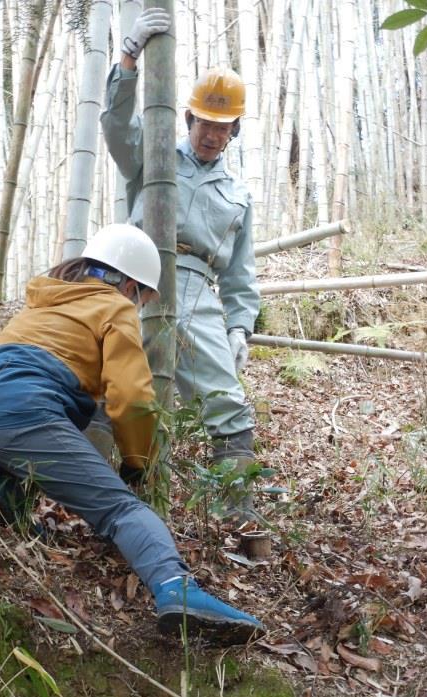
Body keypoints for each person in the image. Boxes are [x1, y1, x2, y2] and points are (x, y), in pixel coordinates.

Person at [0, 224, 263, 644]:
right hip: (23, 416)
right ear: (129, 284)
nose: (140, 306)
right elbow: (130, 398)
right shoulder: (114, 306)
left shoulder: (42, 304)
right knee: (121, 511)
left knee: (70, 409)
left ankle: (3, 497)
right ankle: (177, 590)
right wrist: (136, 461)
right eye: (143, 298)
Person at [101, 9, 261, 523]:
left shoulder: (237, 196)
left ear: (234, 130)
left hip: (196, 293)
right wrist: (127, 59)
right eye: (205, 123)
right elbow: (114, 126)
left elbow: (240, 275)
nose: (212, 135)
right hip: (130, 278)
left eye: (223, 127)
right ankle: (86, 495)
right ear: (189, 118)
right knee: (101, 385)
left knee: (229, 406)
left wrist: (239, 328)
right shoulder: (155, 154)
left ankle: (236, 521)